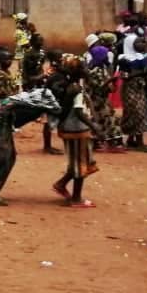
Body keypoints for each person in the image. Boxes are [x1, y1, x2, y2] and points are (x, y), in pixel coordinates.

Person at [0, 88, 60, 206]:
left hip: (0, 114)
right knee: (3, 157)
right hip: (0, 117)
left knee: (7, 155)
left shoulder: (44, 95)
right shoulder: (47, 101)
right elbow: (56, 113)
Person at [53, 56, 98, 207]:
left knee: (77, 162)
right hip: (77, 129)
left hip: (70, 128)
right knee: (80, 164)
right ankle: (76, 198)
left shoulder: (70, 85)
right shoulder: (76, 89)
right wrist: (93, 125)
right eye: (84, 67)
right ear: (79, 71)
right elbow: (78, 111)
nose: (87, 69)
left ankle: (61, 184)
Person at [85, 46, 125, 152]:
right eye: (105, 55)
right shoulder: (94, 70)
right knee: (107, 120)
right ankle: (111, 143)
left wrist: (112, 83)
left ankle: (99, 142)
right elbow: (98, 88)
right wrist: (111, 80)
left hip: (101, 99)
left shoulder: (101, 68)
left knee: (102, 120)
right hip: (97, 100)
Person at [119, 39, 147, 151]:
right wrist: (142, 72)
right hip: (130, 88)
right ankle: (139, 143)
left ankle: (131, 139)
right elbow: (124, 75)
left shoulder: (141, 57)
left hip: (139, 87)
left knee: (139, 111)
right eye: (138, 42)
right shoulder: (124, 59)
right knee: (136, 112)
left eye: (142, 42)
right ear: (130, 44)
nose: (142, 44)